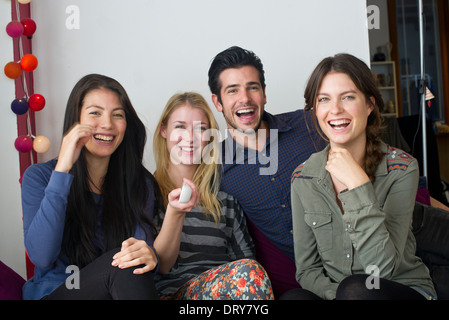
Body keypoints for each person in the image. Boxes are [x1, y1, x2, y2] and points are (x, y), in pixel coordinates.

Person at [289, 53, 436, 300]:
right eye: (324, 99)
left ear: (369, 104)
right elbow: (307, 270)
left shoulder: (402, 168)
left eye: (347, 97)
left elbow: (382, 270)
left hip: (401, 289)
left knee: (357, 290)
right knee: (294, 298)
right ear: (315, 110)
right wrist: (337, 295)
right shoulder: (303, 178)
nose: (335, 109)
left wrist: (358, 185)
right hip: (343, 295)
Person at [21, 74, 162, 300]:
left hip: (113, 292)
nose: (107, 124)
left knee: (127, 259)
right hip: (57, 293)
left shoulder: (139, 183)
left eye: (117, 115)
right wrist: (62, 170)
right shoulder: (40, 176)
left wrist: (149, 255)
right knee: (122, 262)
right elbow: (42, 256)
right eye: (95, 113)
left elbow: (137, 253)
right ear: (75, 120)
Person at [208, 46, 326, 298]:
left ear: (263, 94)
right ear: (217, 101)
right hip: (299, 285)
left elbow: (368, 152)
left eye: (253, 87)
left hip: (352, 257)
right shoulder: (214, 166)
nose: (245, 99)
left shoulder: (309, 125)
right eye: (232, 90)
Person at [152, 92, 273, 300]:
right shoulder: (147, 194)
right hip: (173, 295)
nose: (190, 138)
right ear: (164, 130)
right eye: (180, 126)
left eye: (200, 129)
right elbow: (156, 266)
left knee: (249, 272)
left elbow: (248, 265)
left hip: (228, 295)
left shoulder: (226, 202)